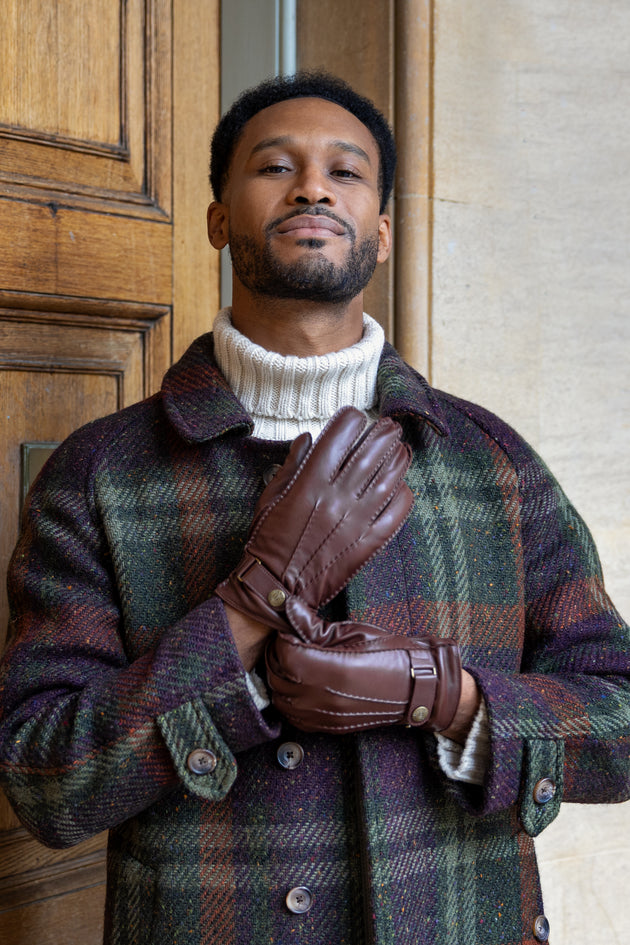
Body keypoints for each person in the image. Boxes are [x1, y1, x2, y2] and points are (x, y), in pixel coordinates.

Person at [0, 72, 629, 945]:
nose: (311, 186)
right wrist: (245, 607)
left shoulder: (493, 463)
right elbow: (45, 780)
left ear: (380, 230)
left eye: (346, 170)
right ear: (218, 218)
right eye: (275, 166)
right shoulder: (99, 474)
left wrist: (444, 696)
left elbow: (622, 718)